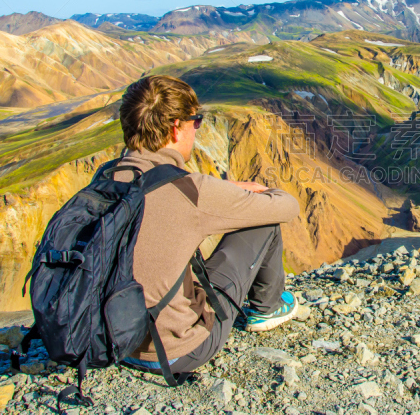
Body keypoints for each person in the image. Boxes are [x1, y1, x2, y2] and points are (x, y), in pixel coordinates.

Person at [113, 75, 300, 376]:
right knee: (264, 223)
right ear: (176, 128)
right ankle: (267, 309)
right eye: (196, 121)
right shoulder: (189, 190)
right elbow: (288, 208)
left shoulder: (106, 179)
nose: (197, 129)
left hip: (110, 341)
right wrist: (249, 192)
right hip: (176, 351)